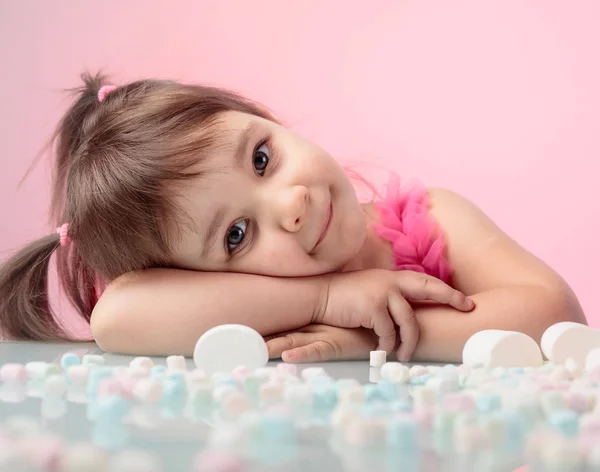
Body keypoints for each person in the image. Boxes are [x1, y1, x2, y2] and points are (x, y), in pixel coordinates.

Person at [0, 73, 586, 363]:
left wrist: (366, 337)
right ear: (201, 277)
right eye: (236, 235)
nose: (293, 205)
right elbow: (119, 316)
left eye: (261, 158)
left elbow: (556, 314)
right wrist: (326, 299)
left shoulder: (431, 219)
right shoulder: (250, 307)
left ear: (268, 119)